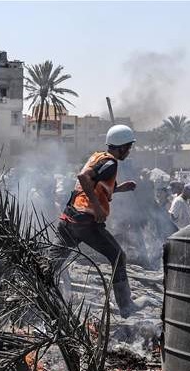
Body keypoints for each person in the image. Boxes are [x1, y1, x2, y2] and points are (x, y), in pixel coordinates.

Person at [55, 124, 146, 318]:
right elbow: (84, 177)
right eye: (128, 147)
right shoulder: (110, 162)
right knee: (118, 256)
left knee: (53, 262)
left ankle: (36, 293)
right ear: (120, 147)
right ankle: (126, 306)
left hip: (70, 218)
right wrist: (97, 208)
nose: (129, 152)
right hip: (85, 223)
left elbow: (97, 186)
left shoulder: (97, 157)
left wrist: (120, 188)